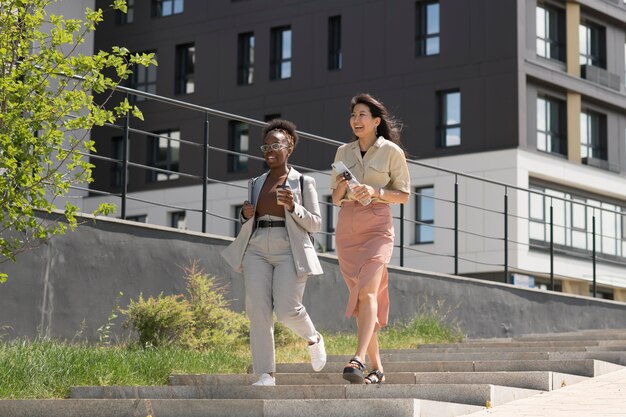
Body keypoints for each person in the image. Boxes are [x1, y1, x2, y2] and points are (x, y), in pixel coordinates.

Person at [221, 119, 326, 386]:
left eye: (275, 144)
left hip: (289, 247)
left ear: (288, 147)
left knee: (288, 310)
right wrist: (245, 216)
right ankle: (266, 373)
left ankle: (313, 338)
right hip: (256, 247)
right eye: (265, 146)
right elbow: (249, 219)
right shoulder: (255, 182)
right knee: (257, 309)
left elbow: (316, 223)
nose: (269, 150)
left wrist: (293, 207)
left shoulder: (303, 181)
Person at [331, 93, 410, 384]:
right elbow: (336, 198)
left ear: (376, 121)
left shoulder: (391, 152)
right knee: (365, 300)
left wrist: (375, 191)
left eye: (362, 115)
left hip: (378, 225)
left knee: (366, 293)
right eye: (353, 115)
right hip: (348, 226)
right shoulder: (343, 152)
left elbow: (403, 195)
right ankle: (377, 367)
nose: (356, 120)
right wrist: (343, 186)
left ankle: (358, 359)